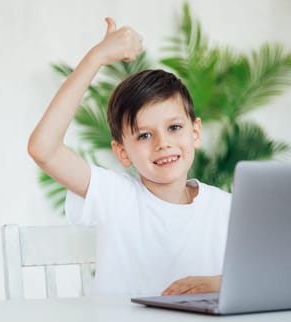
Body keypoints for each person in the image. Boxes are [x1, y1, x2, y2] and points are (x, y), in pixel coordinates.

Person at [28, 18, 231, 296]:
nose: (163, 143)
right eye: (145, 135)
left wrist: (221, 284)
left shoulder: (226, 208)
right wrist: (96, 57)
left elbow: (270, 273)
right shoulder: (115, 197)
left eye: (174, 128)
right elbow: (44, 149)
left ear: (195, 132)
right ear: (122, 152)